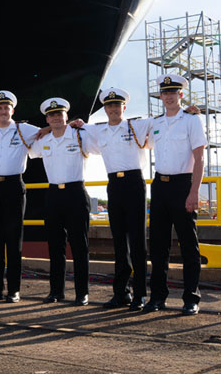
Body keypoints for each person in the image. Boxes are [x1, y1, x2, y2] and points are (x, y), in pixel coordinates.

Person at [75, 87, 150, 311]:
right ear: (105, 109)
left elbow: (165, 121)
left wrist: (188, 111)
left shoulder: (136, 126)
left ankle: (140, 294)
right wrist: (73, 122)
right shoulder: (99, 130)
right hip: (114, 185)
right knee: (119, 242)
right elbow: (76, 127)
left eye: (117, 105)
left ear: (123, 107)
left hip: (134, 183)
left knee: (137, 241)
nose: (113, 109)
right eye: (109, 106)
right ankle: (121, 293)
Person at [143, 74, 207, 316]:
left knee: (189, 244)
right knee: (158, 246)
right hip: (160, 186)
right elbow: (136, 137)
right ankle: (157, 297)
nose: (169, 97)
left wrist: (194, 192)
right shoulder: (156, 123)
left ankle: (191, 298)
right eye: (165, 93)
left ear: (180, 95)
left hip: (183, 185)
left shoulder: (192, 120)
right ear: (160, 96)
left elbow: (200, 159)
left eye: (173, 92)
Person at [28, 97, 99, 306]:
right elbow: (28, 148)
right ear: (47, 119)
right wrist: (43, 130)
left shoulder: (79, 135)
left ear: (66, 116)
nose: (56, 118)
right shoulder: (44, 141)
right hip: (53, 195)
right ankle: (56, 291)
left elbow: (100, 143)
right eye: (51, 115)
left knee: (79, 246)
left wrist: (85, 126)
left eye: (59, 114)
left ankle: (82, 293)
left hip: (76, 193)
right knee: (55, 246)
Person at [0, 90, 42, 303]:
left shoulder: (24, 129)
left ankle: (14, 290)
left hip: (14, 186)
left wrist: (74, 124)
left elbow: (48, 130)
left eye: (6, 108)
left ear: (12, 110)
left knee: (14, 240)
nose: (3, 111)